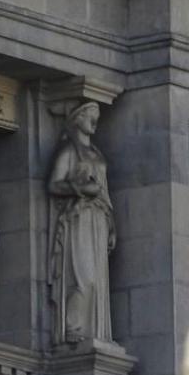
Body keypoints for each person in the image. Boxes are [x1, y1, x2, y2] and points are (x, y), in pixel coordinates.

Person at [47, 101, 115, 344]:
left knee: (96, 282)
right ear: (77, 119)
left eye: (97, 115)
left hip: (98, 218)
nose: (95, 120)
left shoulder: (97, 154)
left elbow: (104, 190)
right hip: (77, 218)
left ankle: (94, 332)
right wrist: (79, 188)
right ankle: (73, 328)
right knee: (82, 278)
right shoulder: (69, 151)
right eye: (90, 115)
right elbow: (53, 184)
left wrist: (111, 225)